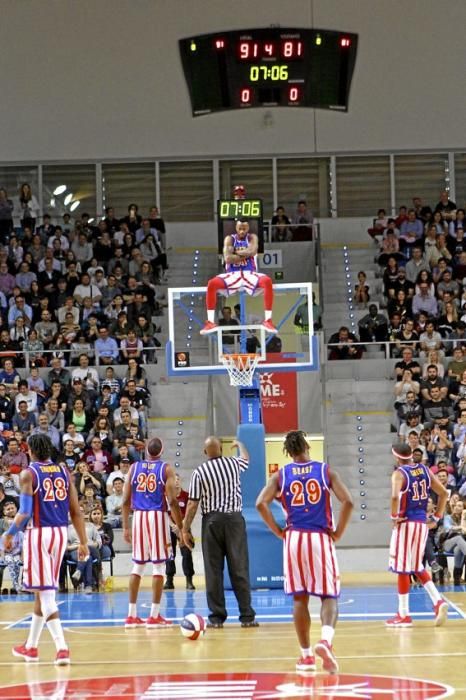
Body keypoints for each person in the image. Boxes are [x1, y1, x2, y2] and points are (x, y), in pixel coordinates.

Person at [256, 430, 353, 674]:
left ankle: (306, 656)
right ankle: (326, 641)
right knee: (328, 595)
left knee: (300, 598)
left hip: (294, 538)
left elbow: (260, 503)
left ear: (288, 452)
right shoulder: (325, 470)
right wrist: (339, 532)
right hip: (319, 537)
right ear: (307, 445)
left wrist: (278, 531)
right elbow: (348, 501)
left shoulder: (281, 475)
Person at [2, 434, 88, 665]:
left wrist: (8, 534)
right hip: (60, 534)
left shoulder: (28, 473)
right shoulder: (63, 471)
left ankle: (62, 648)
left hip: (39, 534)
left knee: (47, 593)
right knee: (43, 590)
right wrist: (82, 541)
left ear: (30, 450)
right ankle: (31, 647)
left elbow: (24, 514)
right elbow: (76, 512)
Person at [182, 436, 258, 628]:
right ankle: (247, 616)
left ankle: (216, 618)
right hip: (234, 521)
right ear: (222, 450)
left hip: (212, 522)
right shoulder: (233, 463)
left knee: (213, 571)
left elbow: (192, 504)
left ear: (205, 452)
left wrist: (185, 529)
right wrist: (240, 444)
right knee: (239, 568)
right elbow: (247, 459)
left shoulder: (199, 472)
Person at [122, 437, 184, 628]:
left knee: (138, 566)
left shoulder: (133, 467)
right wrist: (181, 527)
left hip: (138, 516)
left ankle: (131, 615)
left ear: (146, 451)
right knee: (158, 567)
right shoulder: (166, 469)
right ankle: (154, 616)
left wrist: (126, 526)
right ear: (162, 450)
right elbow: (173, 501)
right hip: (156, 516)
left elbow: (125, 500)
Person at [386, 443, 448, 628]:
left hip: (406, 524)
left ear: (396, 456)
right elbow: (444, 493)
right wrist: (436, 517)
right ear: (410, 455)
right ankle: (438, 601)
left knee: (402, 569)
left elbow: (395, 497)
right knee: (415, 566)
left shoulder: (399, 473)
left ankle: (403, 614)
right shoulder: (425, 470)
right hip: (422, 524)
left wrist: (393, 516)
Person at [200, 219, 277, 335]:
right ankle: (210, 322)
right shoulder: (229, 239)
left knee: (267, 281)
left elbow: (252, 251)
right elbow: (227, 258)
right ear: (236, 228)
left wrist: (235, 252)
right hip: (232, 274)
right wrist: (246, 254)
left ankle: (268, 320)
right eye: (240, 228)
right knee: (212, 283)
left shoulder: (252, 238)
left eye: (244, 229)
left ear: (248, 228)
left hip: (249, 273)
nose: (242, 231)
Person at [163, 473, 195, 591]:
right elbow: (164, 513)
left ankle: (189, 580)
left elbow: (189, 511)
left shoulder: (186, 495)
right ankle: (169, 580)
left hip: (184, 527)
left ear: (180, 481)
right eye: (173, 480)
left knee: (186, 553)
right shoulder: (166, 495)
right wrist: (173, 526)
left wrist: (181, 527)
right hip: (169, 528)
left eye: (177, 479)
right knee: (170, 554)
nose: (175, 482)